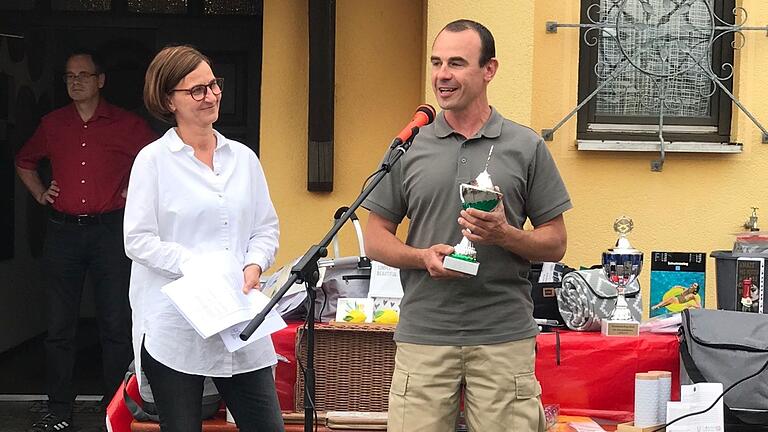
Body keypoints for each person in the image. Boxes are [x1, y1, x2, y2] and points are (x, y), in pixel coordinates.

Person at [362, 20, 572, 432]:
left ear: (489, 70)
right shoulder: (408, 145)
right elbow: (375, 238)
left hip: (503, 336)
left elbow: (556, 243)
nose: (442, 75)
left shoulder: (525, 145)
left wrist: (505, 235)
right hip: (424, 333)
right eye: (437, 63)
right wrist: (422, 257)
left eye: (456, 63)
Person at [123, 45, 283, 432]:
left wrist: (254, 262)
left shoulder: (243, 158)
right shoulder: (153, 160)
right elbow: (137, 240)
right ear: (168, 100)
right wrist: (197, 266)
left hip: (241, 321)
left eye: (213, 85)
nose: (210, 96)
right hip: (176, 327)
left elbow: (266, 227)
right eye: (196, 90)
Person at [15, 51, 156, 432]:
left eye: (83, 75)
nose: (75, 82)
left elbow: (159, 163)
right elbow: (24, 161)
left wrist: (133, 188)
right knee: (59, 326)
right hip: (62, 232)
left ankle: (117, 409)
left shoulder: (127, 125)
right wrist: (42, 193)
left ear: (100, 80)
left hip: (111, 231)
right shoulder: (52, 123)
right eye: (69, 76)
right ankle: (59, 409)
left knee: (115, 324)